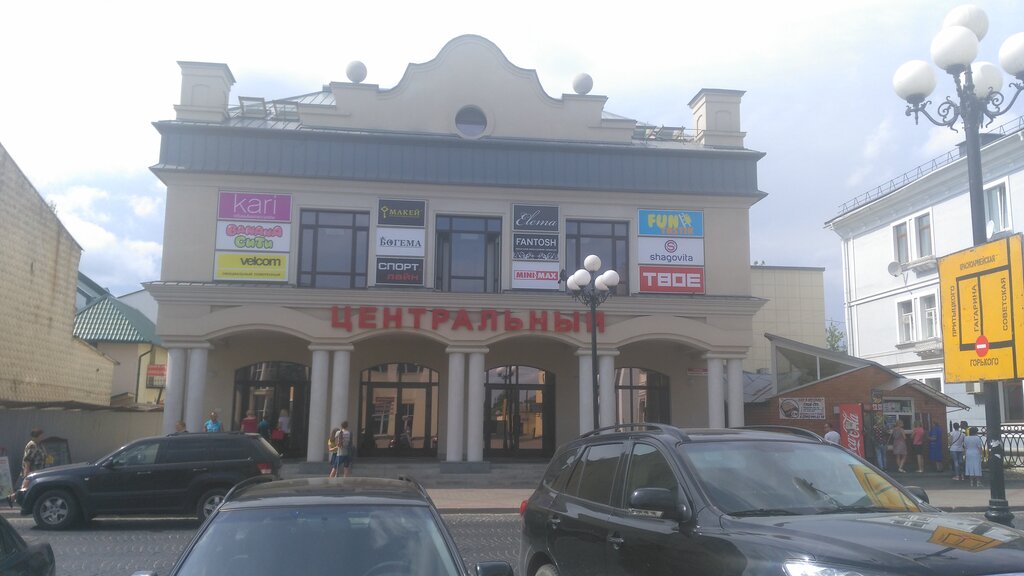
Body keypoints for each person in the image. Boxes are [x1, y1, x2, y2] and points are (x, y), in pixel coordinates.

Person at [7, 428, 46, 508]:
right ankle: (13, 498)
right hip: (32, 471)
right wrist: (26, 471)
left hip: (39, 470)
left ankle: (13, 498)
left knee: (29, 488)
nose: (43, 437)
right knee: (26, 488)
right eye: (41, 435)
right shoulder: (32, 445)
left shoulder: (39, 445)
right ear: (37, 436)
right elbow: (27, 459)